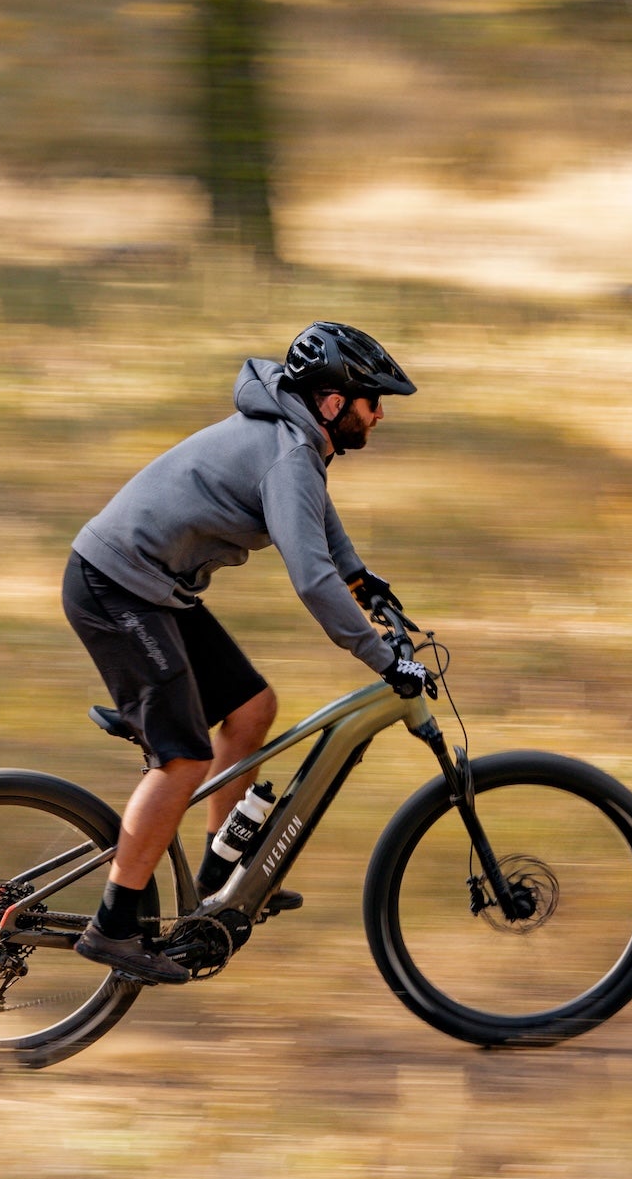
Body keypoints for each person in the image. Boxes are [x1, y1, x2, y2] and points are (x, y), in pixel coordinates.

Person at [61, 321, 432, 984]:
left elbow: (324, 534)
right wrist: (381, 657)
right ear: (329, 402)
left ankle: (218, 878)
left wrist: (367, 584)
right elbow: (312, 577)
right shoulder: (289, 454)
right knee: (184, 758)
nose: (379, 414)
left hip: (152, 589)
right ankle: (112, 928)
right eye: (371, 400)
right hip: (116, 588)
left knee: (252, 707)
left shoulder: (295, 444)